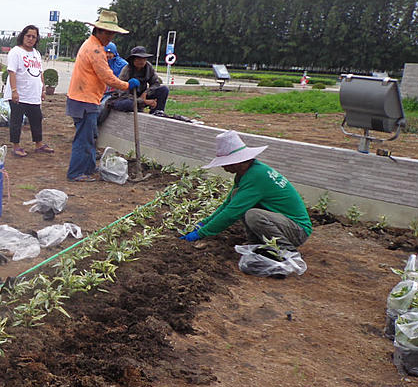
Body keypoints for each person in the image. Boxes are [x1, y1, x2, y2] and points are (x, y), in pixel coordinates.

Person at [181, 131, 312, 252]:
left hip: (297, 230)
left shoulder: (256, 176)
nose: (223, 167)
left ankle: (285, 250)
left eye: (226, 163)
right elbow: (229, 204)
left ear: (238, 162)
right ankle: (257, 244)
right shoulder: (246, 173)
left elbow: (232, 213)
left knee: (253, 215)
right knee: (240, 200)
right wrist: (205, 222)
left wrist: (202, 233)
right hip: (283, 223)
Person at [65, 9, 137, 182]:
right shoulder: (96, 50)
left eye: (113, 34)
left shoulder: (91, 44)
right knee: (83, 138)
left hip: (83, 98)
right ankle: (75, 173)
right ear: (99, 31)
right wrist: (127, 85)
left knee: (89, 137)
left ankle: (89, 168)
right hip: (84, 100)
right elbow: (107, 77)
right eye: (109, 33)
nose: (111, 37)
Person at [4, 25, 54, 158]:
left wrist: (43, 89)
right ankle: (16, 146)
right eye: (28, 36)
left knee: (36, 118)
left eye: (34, 37)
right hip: (19, 95)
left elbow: (40, 72)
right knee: (16, 120)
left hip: (33, 94)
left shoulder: (36, 53)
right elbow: (12, 72)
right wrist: (14, 91)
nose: (31, 39)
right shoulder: (16, 52)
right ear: (23, 36)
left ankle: (39, 144)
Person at [108, 46, 169, 115]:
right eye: (139, 59)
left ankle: (157, 112)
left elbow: (156, 83)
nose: (142, 61)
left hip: (142, 96)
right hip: (126, 98)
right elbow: (122, 93)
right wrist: (143, 101)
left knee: (164, 90)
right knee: (129, 104)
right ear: (133, 60)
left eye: (144, 59)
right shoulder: (127, 70)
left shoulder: (148, 67)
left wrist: (146, 93)